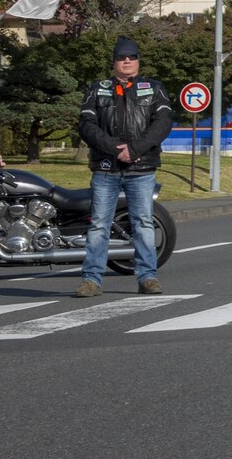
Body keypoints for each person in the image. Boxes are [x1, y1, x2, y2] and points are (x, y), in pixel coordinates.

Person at [73, 35, 173, 297]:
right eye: (121, 57)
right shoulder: (97, 89)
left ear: (138, 60)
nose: (127, 61)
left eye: (132, 56)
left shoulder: (155, 89)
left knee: (143, 223)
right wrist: (116, 149)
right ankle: (91, 280)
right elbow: (86, 126)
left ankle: (148, 278)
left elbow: (162, 124)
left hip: (142, 170)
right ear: (114, 62)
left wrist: (135, 149)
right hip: (106, 168)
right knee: (99, 225)